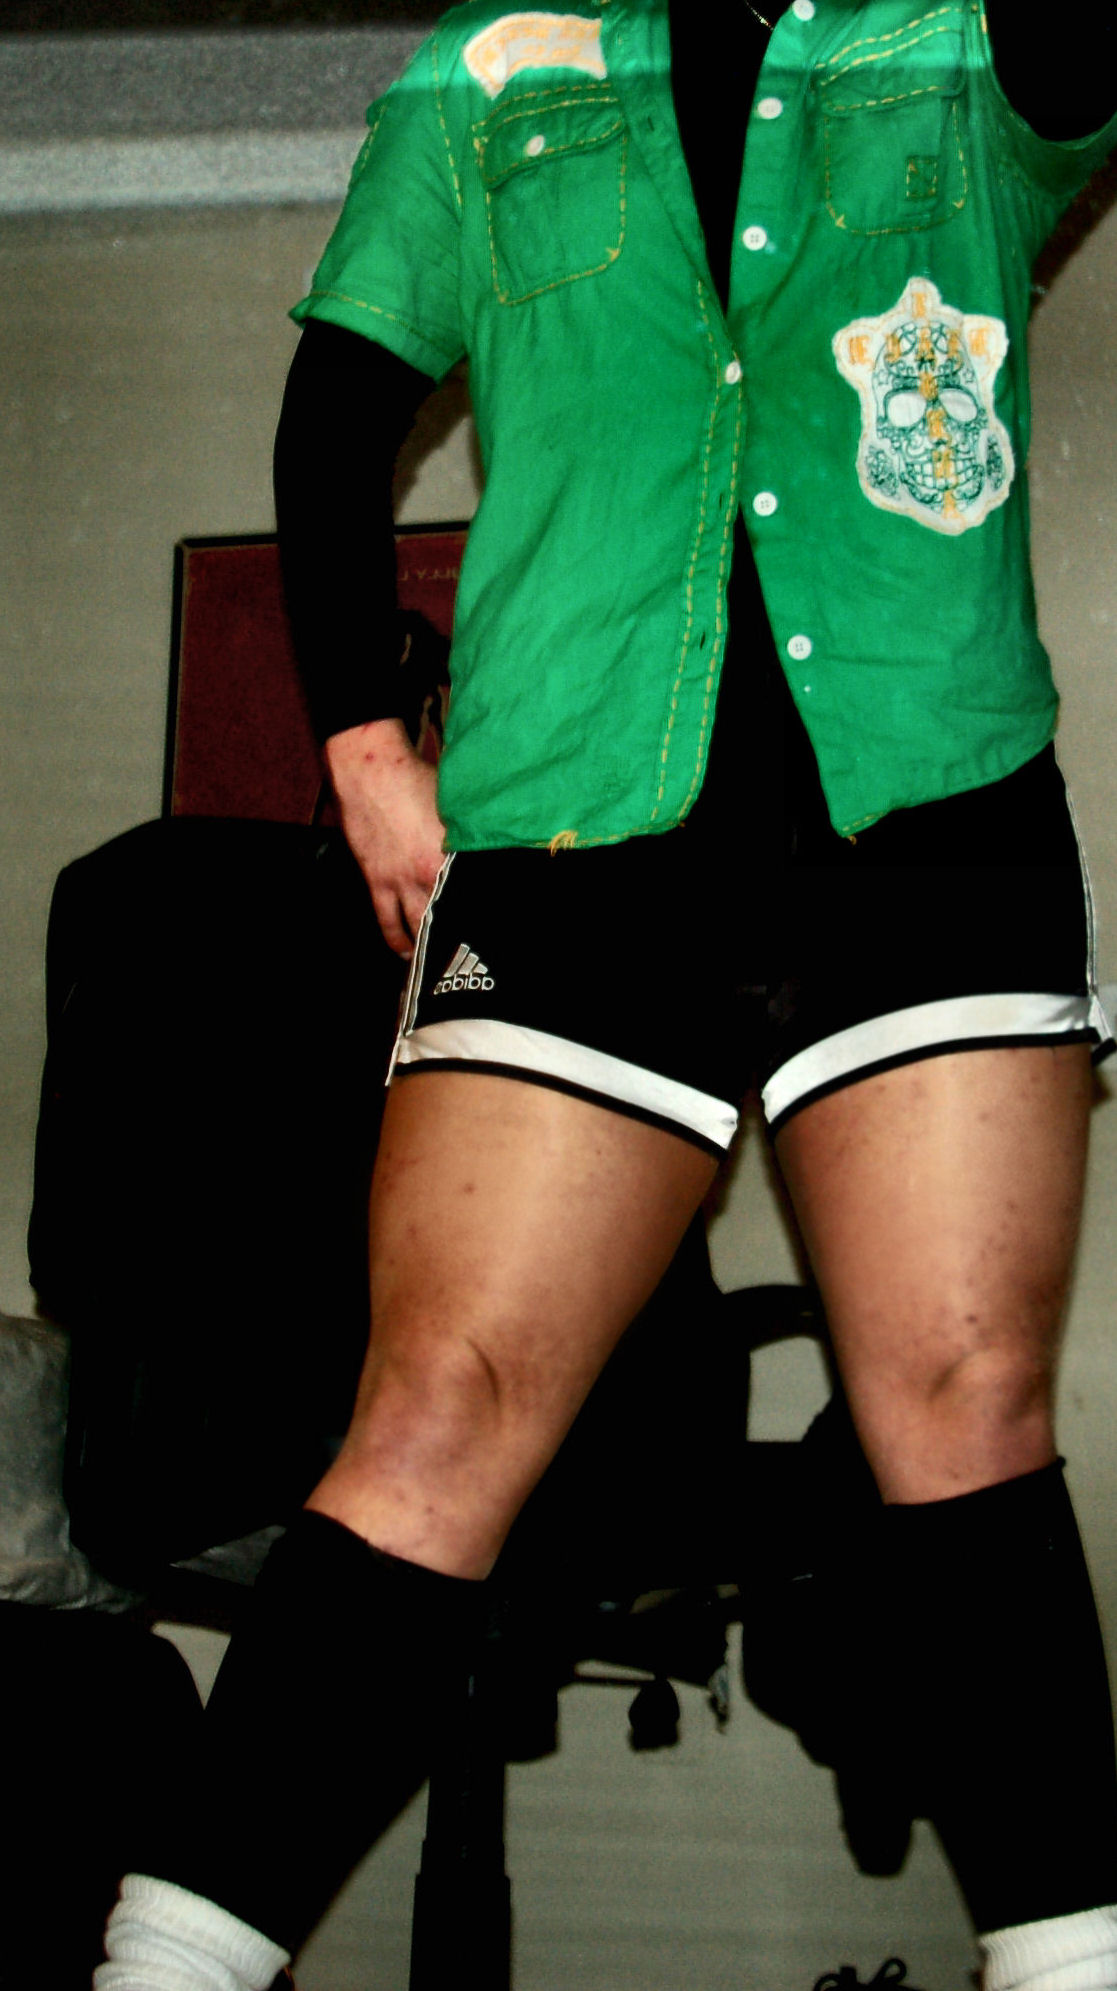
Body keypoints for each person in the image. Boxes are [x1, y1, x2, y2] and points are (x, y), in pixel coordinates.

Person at [98, 4, 1117, 1988]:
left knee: (964, 1405)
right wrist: (360, 742)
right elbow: (339, 400)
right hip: (576, 832)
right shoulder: (488, 65)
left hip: (932, 821)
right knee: (435, 1410)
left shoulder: (955, 36)